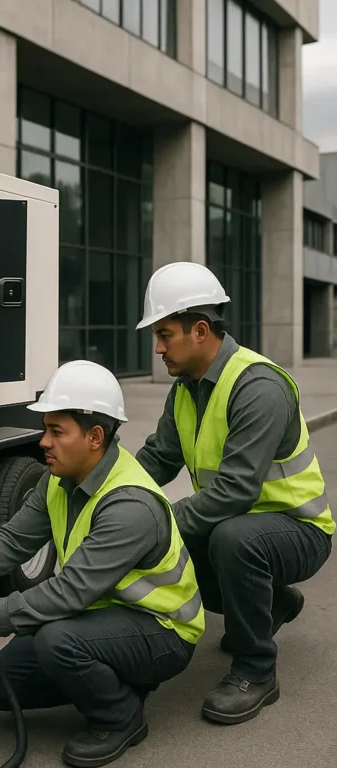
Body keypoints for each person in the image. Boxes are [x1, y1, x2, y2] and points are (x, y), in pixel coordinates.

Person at [0, 360, 204, 768]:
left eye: (56, 431)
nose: (43, 442)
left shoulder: (129, 503)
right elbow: (15, 538)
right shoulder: (58, 480)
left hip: (161, 630)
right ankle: (111, 675)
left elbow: (71, 590)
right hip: (96, 617)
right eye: (45, 429)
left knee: (58, 643)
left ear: (94, 436)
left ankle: (120, 715)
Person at [133, 261, 334, 726]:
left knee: (228, 540)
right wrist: (108, 495)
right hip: (239, 526)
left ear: (200, 330)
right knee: (187, 548)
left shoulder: (258, 386)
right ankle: (275, 602)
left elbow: (235, 492)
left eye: (165, 335)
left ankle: (256, 672)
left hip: (299, 530)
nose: (158, 348)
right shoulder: (186, 389)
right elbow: (158, 460)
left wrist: (154, 525)